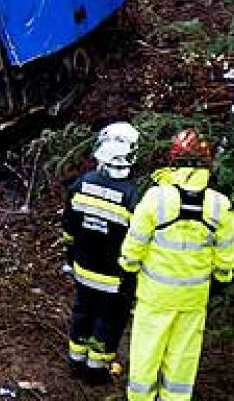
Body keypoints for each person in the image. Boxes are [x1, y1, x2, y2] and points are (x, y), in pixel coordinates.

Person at [120, 128, 234, 401]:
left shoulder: (155, 199)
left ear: (173, 160)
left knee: (146, 354)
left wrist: (128, 270)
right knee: (183, 359)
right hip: (193, 299)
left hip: (155, 297)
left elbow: (134, 246)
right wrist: (221, 278)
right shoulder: (219, 205)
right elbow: (227, 254)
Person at [63, 122, 143, 383]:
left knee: (82, 313)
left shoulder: (82, 184)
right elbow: (137, 241)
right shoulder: (133, 196)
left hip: (83, 270)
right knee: (107, 322)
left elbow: (69, 229)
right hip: (114, 278)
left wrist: (70, 258)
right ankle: (95, 371)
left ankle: (76, 362)